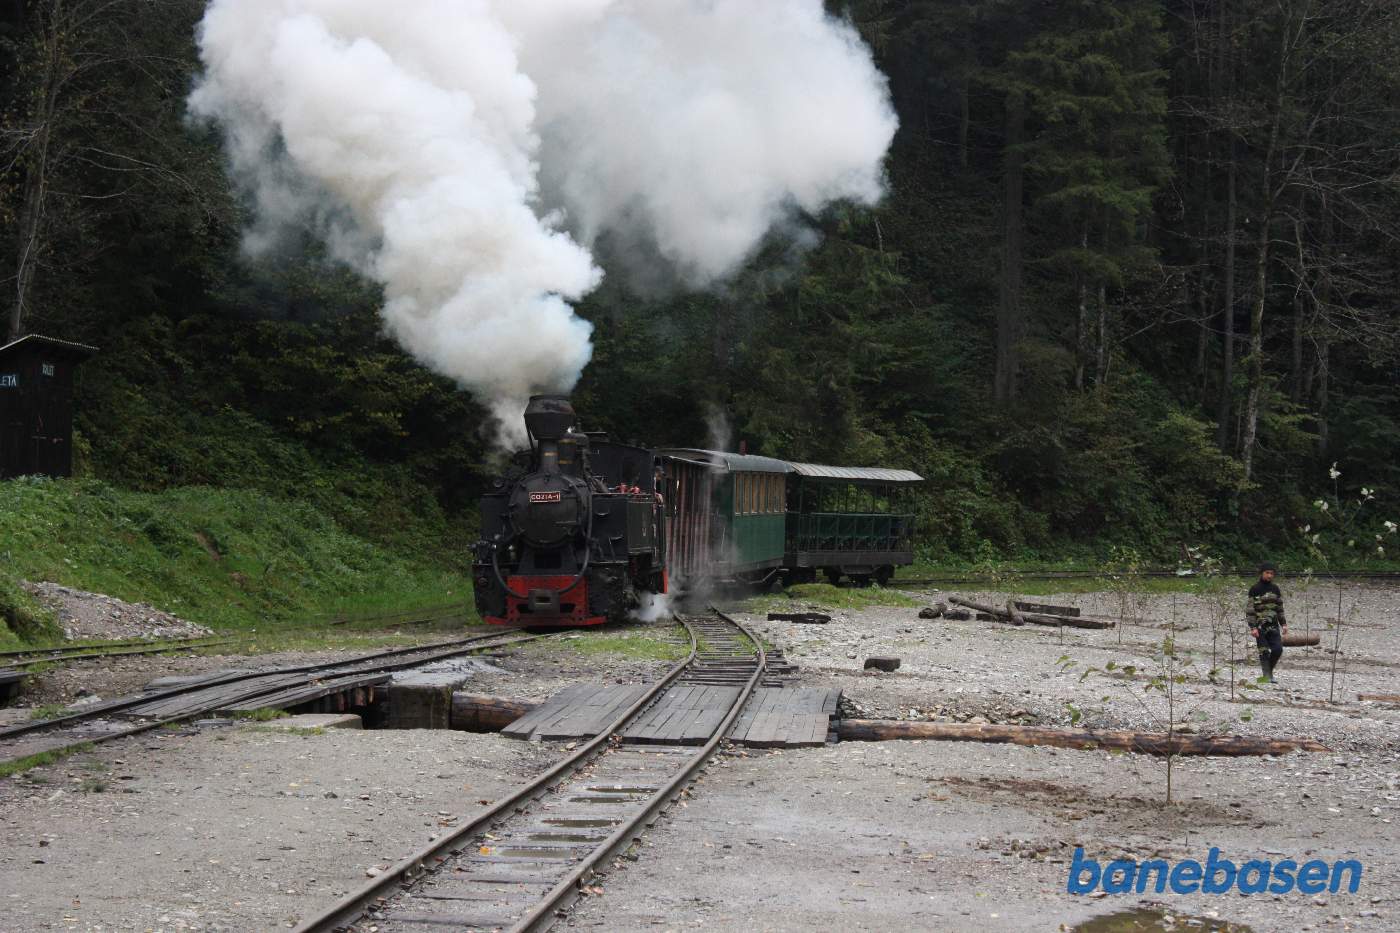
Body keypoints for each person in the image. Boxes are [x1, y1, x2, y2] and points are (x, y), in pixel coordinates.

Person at [1247, 562, 1288, 683]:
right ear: (1262, 573)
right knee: (1264, 651)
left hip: (1273, 625)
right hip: (1260, 625)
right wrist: (1253, 627)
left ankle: (1268, 672)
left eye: (1272, 573)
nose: (1270, 575)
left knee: (1277, 649)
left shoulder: (1275, 589)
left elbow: (1279, 608)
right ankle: (1267, 675)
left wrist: (1284, 624)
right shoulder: (1255, 589)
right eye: (1267, 573)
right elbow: (1250, 610)